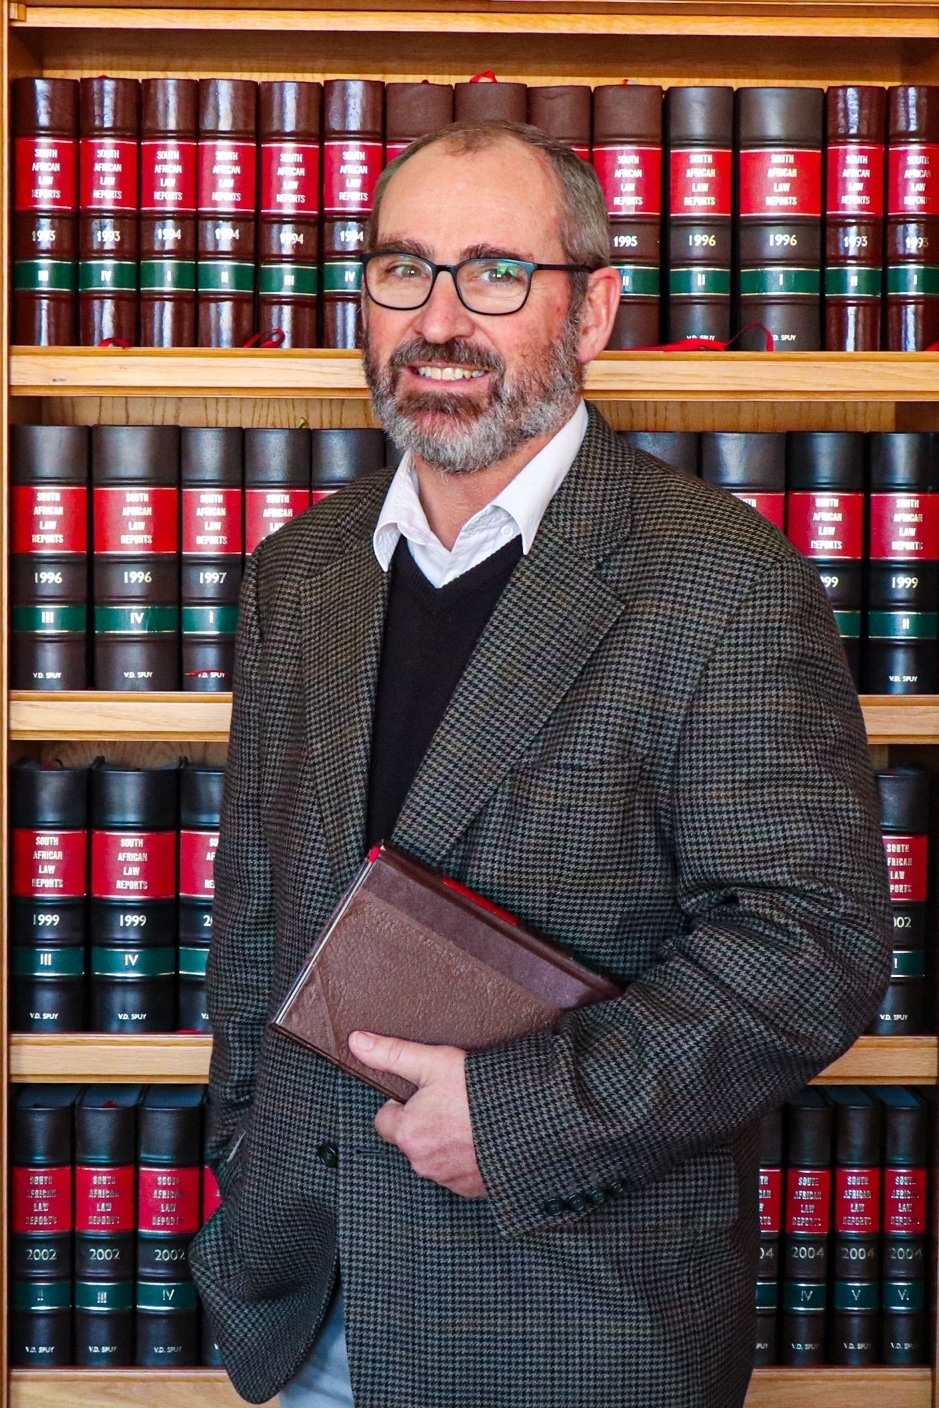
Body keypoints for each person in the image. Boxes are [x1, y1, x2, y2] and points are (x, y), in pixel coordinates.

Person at [189, 120, 892, 1408]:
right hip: (308, 1305)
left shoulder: (722, 580)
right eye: (403, 269)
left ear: (594, 312)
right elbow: (260, 914)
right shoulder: (300, 573)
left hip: (574, 1318)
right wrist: (242, 1177)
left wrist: (521, 1118)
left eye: (498, 273)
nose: (439, 318)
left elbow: (814, 948)